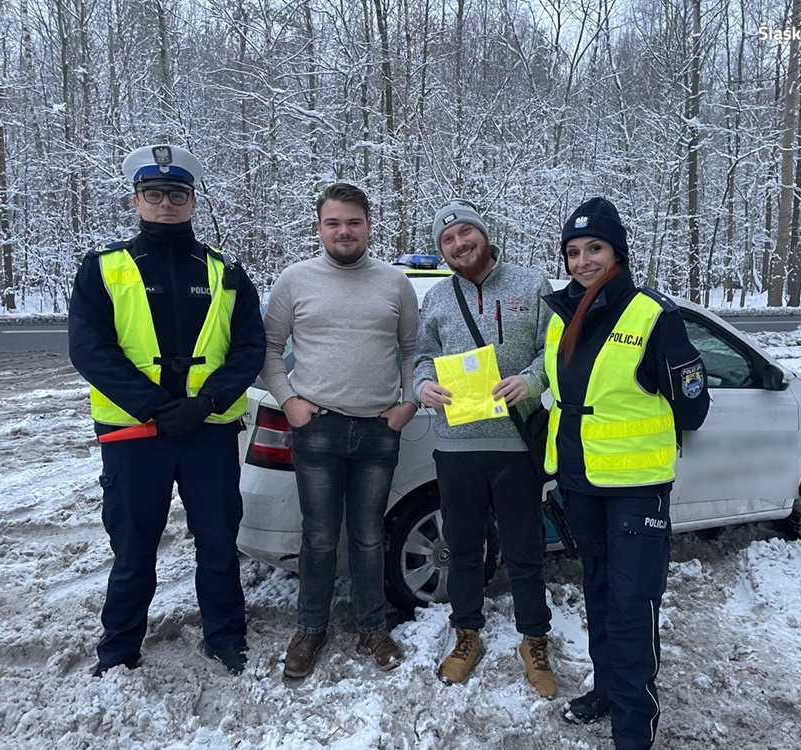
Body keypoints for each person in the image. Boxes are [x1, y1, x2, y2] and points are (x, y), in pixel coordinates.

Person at [68, 144, 266, 677]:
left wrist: (206, 403)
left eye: (177, 194)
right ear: (137, 199)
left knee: (220, 543)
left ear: (193, 201)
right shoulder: (104, 268)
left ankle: (225, 636)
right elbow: (89, 349)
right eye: (154, 194)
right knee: (133, 547)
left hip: (208, 432)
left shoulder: (226, 272)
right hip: (134, 433)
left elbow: (250, 348)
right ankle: (119, 649)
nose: (166, 203)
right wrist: (155, 406)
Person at [543, 198, 710, 749]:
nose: (583, 260)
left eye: (594, 248)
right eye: (573, 251)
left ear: (617, 250)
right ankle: (609, 691)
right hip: (580, 484)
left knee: (633, 605)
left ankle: (634, 731)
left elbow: (692, 406)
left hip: (637, 493)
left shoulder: (653, 315)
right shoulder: (561, 316)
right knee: (597, 592)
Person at [260, 182, 419, 679]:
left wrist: (408, 404)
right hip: (319, 430)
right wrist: (289, 402)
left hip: (378, 430)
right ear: (320, 227)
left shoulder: (395, 283)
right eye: (333, 223)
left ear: (369, 225)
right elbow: (268, 348)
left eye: (353, 222)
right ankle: (311, 629)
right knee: (321, 537)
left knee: (370, 537)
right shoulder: (295, 280)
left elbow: (413, 352)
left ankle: (372, 627)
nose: (344, 231)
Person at [413, 199, 557, 699]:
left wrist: (533, 380)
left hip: (515, 443)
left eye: (465, 233)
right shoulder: (434, 299)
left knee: (524, 547)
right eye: (447, 240)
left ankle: (534, 639)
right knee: (463, 547)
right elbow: (421, 360)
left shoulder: (530, 283)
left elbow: (550, 350)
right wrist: (423, 387)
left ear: (484, 234)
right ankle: (466, 634)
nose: (458, 245)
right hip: (456, 446)